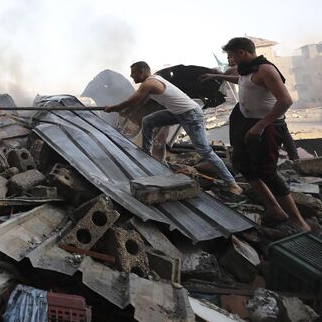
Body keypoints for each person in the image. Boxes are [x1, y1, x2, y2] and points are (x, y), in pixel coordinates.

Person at [199, 37, 310, 231]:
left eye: (231, 55)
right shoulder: (247, 70)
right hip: (245, 122)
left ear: (242, 52)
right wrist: (219, 77)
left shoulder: (265, 69)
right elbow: (243, 82)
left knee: (267, 171)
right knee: (244, 165)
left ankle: (299, 222)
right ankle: (275, 210)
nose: (229, 59)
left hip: (266, 125)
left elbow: (285, 101)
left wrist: (261, 125)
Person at [105, 61, 242, 195]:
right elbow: (140, 102)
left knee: (204, 150)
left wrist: (114, 108)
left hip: (190, 114)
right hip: (178, 112)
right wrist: (124, 110)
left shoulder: (149, 83)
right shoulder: (154, 80)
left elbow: (133, 101)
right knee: (148, 121)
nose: (131, 76)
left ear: (142, 72)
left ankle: (232, 184)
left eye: (133, 73)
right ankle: (146, 155)